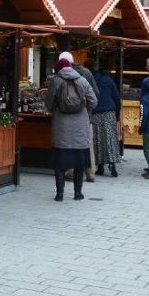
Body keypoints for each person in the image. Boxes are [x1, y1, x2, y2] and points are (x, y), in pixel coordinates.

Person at [46, 58, 97, 202]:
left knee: (60, 164)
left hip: (61, 126)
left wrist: (57, 108)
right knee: (80, 163)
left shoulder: (56, 81)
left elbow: (49, 104)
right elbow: (94, 101)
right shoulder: (82, 80)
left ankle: (60, 194)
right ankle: (78, 193)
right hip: (80, 126)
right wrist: (83, 110)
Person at [59, 51, 99, 182]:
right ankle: (90, 172)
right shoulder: (86, 72)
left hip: (66, 117)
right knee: (87, 144)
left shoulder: (60, 75)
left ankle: (70, 172)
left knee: (69, 143)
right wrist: (87, 110)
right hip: (85, 116)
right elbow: (95, 95)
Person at [88, 60, 121, 177]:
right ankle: (112, 165)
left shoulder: (90, 81)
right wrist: (117, 112)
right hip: (109, 113)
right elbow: (116, 97)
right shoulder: (108, 79)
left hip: (96, 113)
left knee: (98, 140)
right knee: (110, 139)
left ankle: (100, 166)